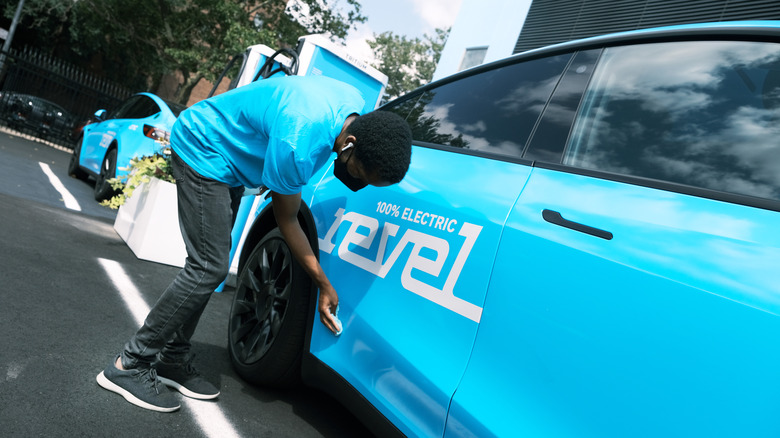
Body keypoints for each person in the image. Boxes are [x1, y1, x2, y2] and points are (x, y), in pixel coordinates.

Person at [96, 75, 413, 412]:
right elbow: (287, 219)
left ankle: (172, 357)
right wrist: (322, 283)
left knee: (211, 266)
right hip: (203, 147)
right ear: (349, 143)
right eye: (360, 174)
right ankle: (129, 364)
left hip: (228, 160)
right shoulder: (299, 138)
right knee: (208, 266)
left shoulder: (351, 102)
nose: (357, 183)